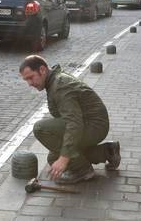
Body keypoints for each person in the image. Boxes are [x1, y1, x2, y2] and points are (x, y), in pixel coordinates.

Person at [19, 55, 121, 184]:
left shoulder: (59, 86)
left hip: (94, 126)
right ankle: (107, 151)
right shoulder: (54, 81)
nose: (29, 83)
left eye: (30, 77)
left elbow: (74, 123)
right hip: (89, 123)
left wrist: (64, 158)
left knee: (41, 129)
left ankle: (82, 170)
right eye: (26, 80)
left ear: (42, 70)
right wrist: (61, 157)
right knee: (53, 158)